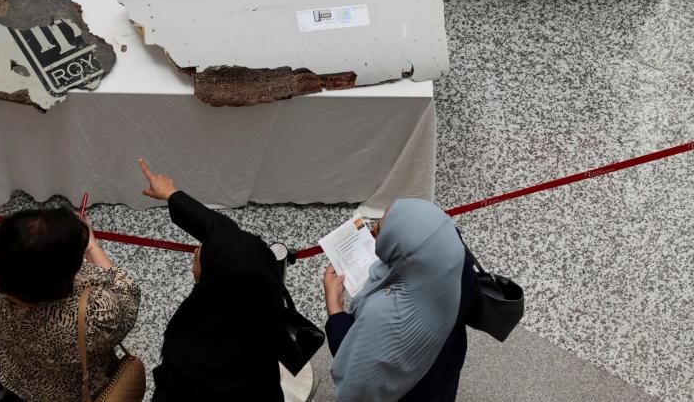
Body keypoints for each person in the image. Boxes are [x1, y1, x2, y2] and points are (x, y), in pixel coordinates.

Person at [138, 158, 286, 402]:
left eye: (201, 258)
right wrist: (171, 194)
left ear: (212, 284)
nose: (196, 251)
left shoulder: (191, 350)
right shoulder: (261, 297)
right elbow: (226, 235)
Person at [0, 206, 140, 402]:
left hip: (13, 371)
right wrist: (91, 246)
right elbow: (128, 295)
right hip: (69, 391)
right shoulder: (94, 314)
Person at [322, 198, 475, 402]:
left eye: (380, 229)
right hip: (445, 370)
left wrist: (335, 309)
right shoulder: (457, 258)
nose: (373, 229)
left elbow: (356, 364)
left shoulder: (384, 315)